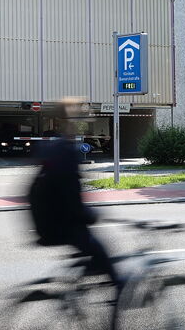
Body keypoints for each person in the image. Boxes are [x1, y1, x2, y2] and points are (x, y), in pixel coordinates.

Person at [29, 97, 124, 295]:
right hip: (62, 224)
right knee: (109, 264)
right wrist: (90, 215)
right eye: (85, 112)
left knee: (93, 259)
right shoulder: (66, 150)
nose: (89, 115)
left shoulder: (56, 147)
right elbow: (70, 196)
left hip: (46, 222)